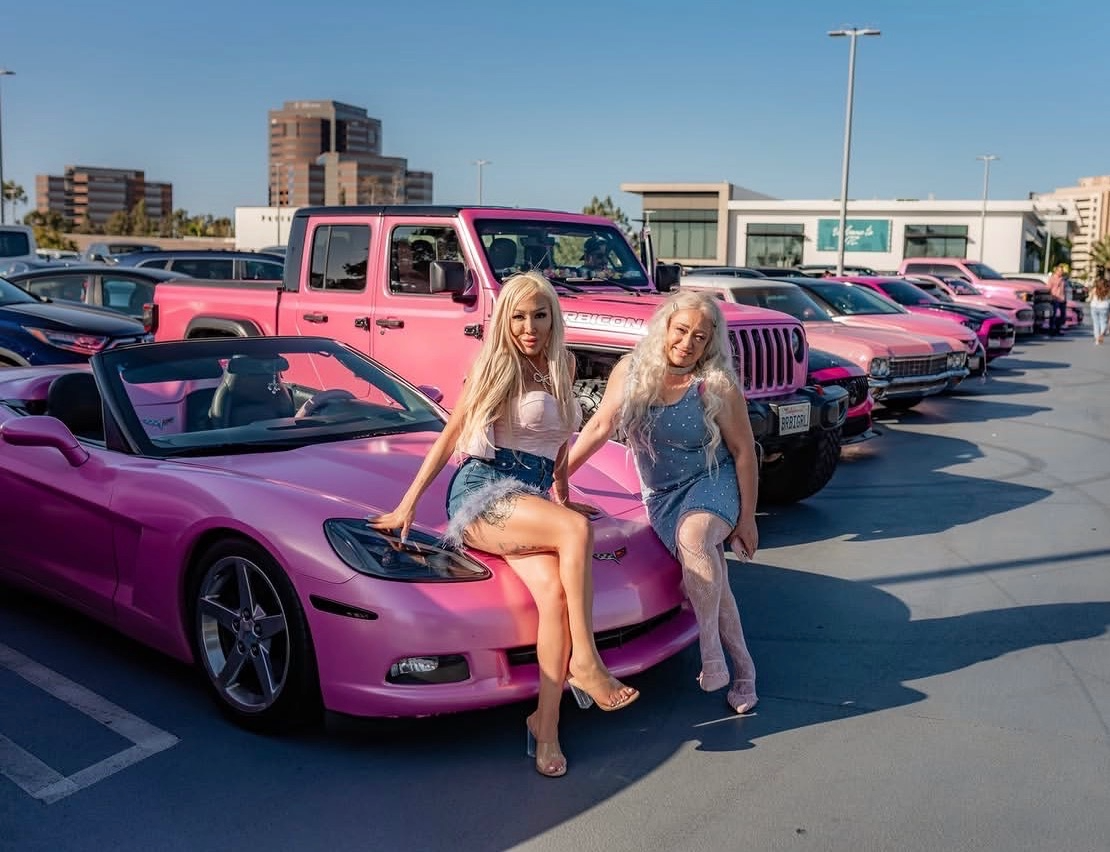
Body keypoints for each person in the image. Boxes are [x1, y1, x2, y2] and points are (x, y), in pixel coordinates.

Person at [367, 270, 638, 778]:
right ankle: (587, 662)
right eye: (517, 316)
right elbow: (450, 436)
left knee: (555, 596)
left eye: (539, 315)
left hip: (530, 498)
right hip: (484, 493)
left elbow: (558, 440)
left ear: (553, 316)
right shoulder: (499, 365)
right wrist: (407, 505)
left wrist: (561, 496)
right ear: (504, 320)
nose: (529, 326)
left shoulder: (564, 363)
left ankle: (546, 726)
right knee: (577, 534)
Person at [567, 290, 761, 715]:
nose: (688, 342)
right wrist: (559, 476)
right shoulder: (631, 371)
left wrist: (747, 519)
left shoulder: (715, 385)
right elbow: (600, 425)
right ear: (664, 328)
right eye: (681, 330)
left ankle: (711, 655)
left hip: (713, 480)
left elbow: (744, 451)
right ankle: (744, 670)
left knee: (696, 536)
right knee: (712, 579)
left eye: (699, 336)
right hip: (663, 495)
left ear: (710, 342)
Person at [1088, 269, 1110, 345]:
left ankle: (1097, 339)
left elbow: (1090, 298)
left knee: (1095, 323)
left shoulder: (1095, 289)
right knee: (1103, 322)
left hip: (1094, 307)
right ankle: (1101, 335)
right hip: (1104, 307)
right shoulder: (1108, 290)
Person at [1048, 263, 1069, 334]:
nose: (1061, 272)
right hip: (1055, 298)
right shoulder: (1052, 278)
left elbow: (1064, 289)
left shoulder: (1063, 279)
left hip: (1062, 299)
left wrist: (1065, 299)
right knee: (1053, 315)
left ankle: (1058, 328)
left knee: (1063, 315)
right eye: (1060, 271)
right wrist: (1051, 297)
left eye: (1062, 271)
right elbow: (1048, 288)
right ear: (1056, 271)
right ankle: (1052, 329)